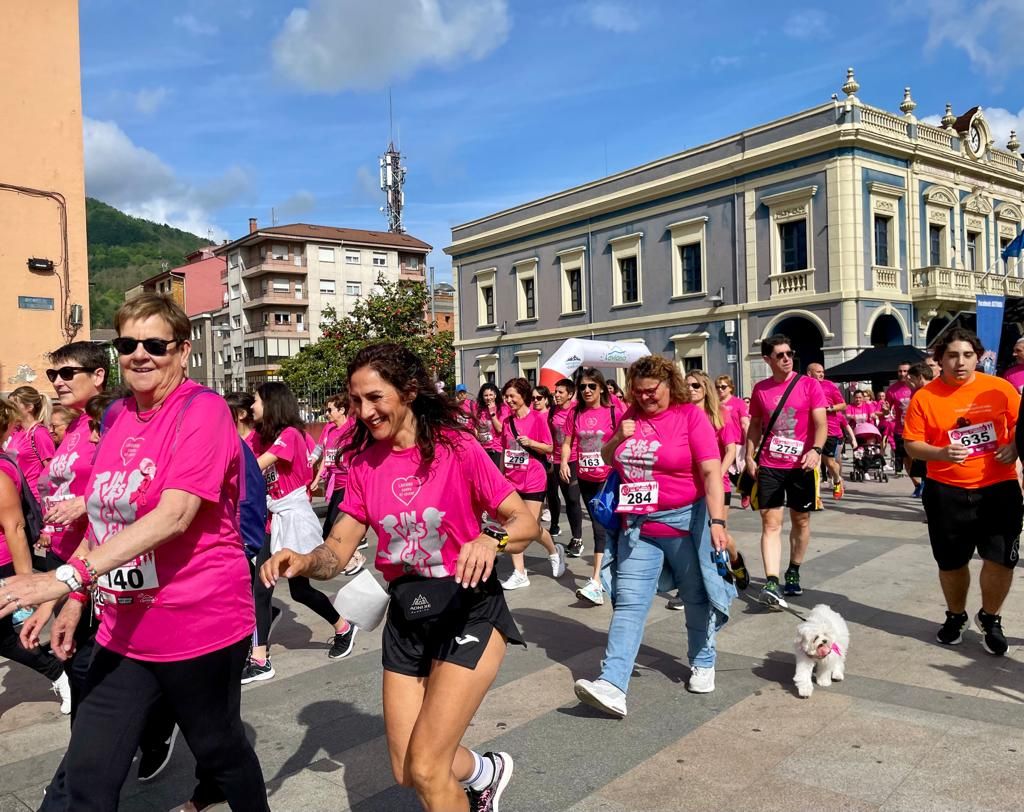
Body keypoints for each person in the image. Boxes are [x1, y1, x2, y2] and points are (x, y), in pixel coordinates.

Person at [0, 293, 269, 811]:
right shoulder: (120, 412)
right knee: (89, 770)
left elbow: (175, 514)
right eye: (127, 343)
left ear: (183, 349)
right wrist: (74, 600)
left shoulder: (204, 410)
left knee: (220, 751)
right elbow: (107, 512)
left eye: (154, 343)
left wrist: (66, 578)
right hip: (124, 627)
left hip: (200, 624)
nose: (139, 354)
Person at [261, 342, 540, 811]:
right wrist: (304, 562)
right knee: (408, 771)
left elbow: (524, 521)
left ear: (408, 391)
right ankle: (483, 772)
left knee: (429, 768)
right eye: (355, 401)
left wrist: (489, 541)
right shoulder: (363, 465)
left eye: (374, 397)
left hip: (468, 608)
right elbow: (337, 550)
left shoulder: (458, 447)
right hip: (408, 616)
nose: (363, 412)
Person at [572, 354, 733, 716]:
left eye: (651, 391)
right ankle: (613, 684)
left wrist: (718, 522)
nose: (645, 398)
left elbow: (710, 473)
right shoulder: (630, 416)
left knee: (696, 596)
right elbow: (610, 458)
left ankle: (703, 660)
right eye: (638, 392)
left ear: (668, 385)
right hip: (638, 527)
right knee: (629, 602)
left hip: (684, 524)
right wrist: (616, 439)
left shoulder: (690, 416)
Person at [903, 328, 1021, 656]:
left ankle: (991, 617)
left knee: (1000, 561)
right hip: (946, 492)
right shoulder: (925, 397)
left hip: (999, 489)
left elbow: (1020, 425)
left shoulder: (1000, 389)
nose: (960, 362)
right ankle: (956, 615)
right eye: (952, 355)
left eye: (968, 355)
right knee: (952, 562)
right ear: (939, 359)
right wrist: (940, 453)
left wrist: (1014, 446)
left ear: (978, 357)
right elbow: (912, 443)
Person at [245, 382, 357, 683]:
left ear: (271, 404)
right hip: (273, 518)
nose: (252, 406)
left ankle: (342, 626)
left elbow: (252, 467)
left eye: (255, 400)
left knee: (298, 589)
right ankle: (260, 656)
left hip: (293, 517)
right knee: (263, 588)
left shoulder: (290, 435)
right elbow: (242, 450)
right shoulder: (259, 436)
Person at [0, 399, 72, 714]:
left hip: (2, 562)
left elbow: (14, 527)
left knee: (2, 638)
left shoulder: (2, 470)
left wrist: (26, 581)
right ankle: (58, 672)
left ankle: (58, 672)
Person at [745, 335, 827, 609]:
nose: (786, 358)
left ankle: (793, 569)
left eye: (789, 353)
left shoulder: (809, 385)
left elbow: (821, 422)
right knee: (770, 524)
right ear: (767, 359)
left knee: (801, 521)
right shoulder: (761, 390)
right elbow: (755, 425)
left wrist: (816, 449)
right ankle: (771, 580)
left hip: (801, 465)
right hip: (770, 464)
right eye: (779, 355)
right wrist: (749, 455)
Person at [670, 370, 747, 598]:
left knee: (719, 533)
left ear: (705, 389)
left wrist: (715, 475)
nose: (691, 390)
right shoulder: (680, 415)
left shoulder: (719, 415)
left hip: (717, 485)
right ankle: (690, 586)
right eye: (688, 386)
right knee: (690, 536)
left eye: (696, 386)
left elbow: (731, 450)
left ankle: (735, 560)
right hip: (689, 486)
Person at [562, 367, 625, 605]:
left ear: (600, 388)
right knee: (603, 527)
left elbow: (628, 436)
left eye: (591, 386)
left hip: (610, 478)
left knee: (603, 528)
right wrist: (564, 463)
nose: (587, 390)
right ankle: (607, 574)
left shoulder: (613, 411)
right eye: (582, 387)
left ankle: (597, 582)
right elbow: (568, 442)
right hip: (587, 478)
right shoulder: (575, 413)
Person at [498, 378, 566, 590]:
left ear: (523, 396)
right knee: (514, 525)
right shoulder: (507, 422)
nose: (509, 400)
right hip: (511, 479)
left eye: (512, 396)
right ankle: (520, 573)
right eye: (506, 396)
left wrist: (531, 443)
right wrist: (500, 476)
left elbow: (549, 448)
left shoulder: (537, 418)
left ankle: (554, 552)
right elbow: (504, 450)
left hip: (533, 478)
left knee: (530, 527)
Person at [546, 378, 584, 548]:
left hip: (573, 459)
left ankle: (577, 538)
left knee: (572, 498)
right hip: (554, 459)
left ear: (570, 394)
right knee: (554, 495)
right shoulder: (552, 410)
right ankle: (555, 525)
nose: (557, 395)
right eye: (556, 392)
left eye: (561, 392)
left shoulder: (577, 410)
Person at [6, 384, 55, 501]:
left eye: (14, 405)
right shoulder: (17, 432)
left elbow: (51, 469)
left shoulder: (39, 433)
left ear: (29, 407)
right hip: (20, 496)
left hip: (35, 498)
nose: (10, 410)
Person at [806, 363, 848, 500]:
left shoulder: (830, 385)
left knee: (830, 463)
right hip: (811, 431)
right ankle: (816, 497)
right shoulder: (804, 385)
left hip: (830, 430)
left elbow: (843, 405)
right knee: (815, 464)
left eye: (822, 372)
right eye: (818, 372)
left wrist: (830, 408)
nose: (821, 374)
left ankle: (837, 480)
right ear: (809, 373)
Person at [886, 362, 921, 495]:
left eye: (905, 371)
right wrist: (884, 411)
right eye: (900, 371)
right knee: (907, 461)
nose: (902, 374)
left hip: (918, 429)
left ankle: (925, 483)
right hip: (900, 430)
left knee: (920, 459)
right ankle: (917, 485)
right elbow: (886, 410)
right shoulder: (892, 389)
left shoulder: (917, 386)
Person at [474, 383, 505, 468]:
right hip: (483, 449)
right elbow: (475, 427)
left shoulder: (502, 409)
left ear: (495, 395)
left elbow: (500, 429)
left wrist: (492, 414)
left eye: (491, 395)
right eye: (486, 395)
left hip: (496, 449)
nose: (488, 398)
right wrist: (478, 436)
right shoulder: (479, 410)